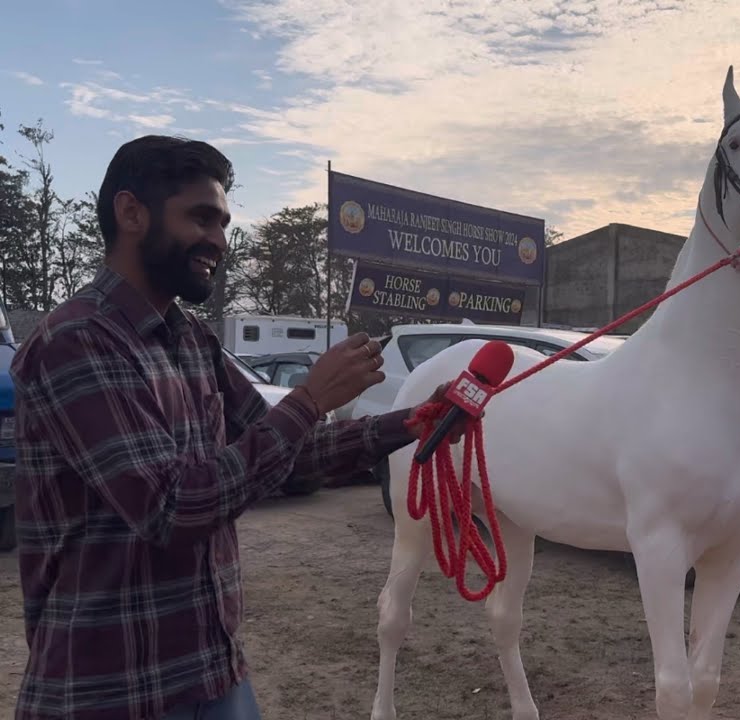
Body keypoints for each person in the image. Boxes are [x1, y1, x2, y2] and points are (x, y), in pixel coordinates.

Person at [8, 135, 455, 720]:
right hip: (109, 690)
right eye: (201, 217)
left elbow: (287, 456)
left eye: (222, 222)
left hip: (213, 673)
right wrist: (312, 397)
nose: (218, 240)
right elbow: (171, 509)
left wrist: (419, 422)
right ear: (130, 212)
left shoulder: (194, 341)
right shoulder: (75, 342)